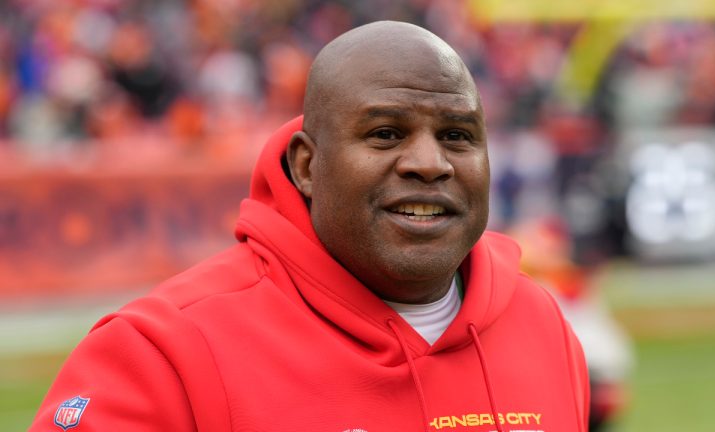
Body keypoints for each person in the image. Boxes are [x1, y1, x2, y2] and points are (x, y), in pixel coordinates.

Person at [31, 21, 589, 431]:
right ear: (306, 166)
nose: (430, 162)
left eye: (458, 136)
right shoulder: (163, 352)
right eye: (386, 133)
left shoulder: (541, 322)